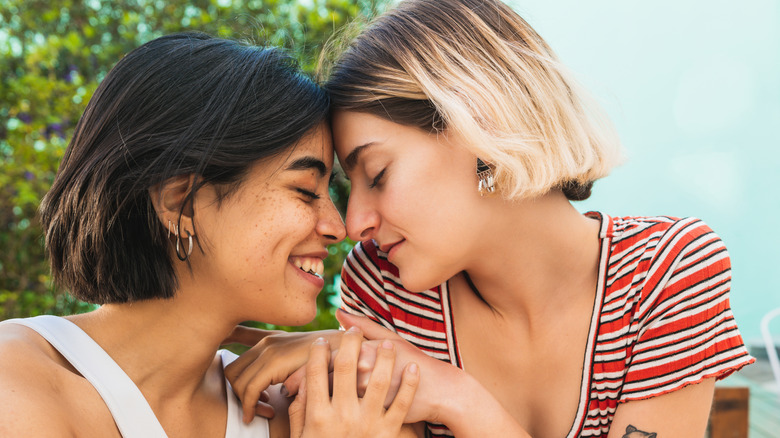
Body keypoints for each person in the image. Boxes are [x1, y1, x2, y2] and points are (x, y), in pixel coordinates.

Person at [225, 0, 755, 437]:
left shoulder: (666, 273)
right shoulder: (387, 287)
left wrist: (458, 399)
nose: (355, 222)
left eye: (378, 173)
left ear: (483, 126)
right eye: (350, 187)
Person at [0, 32, 419, 437]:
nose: (338, 227)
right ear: (179, 201)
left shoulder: (306, 410)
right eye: (306, 191)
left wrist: (373, 366)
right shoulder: (17, 383)